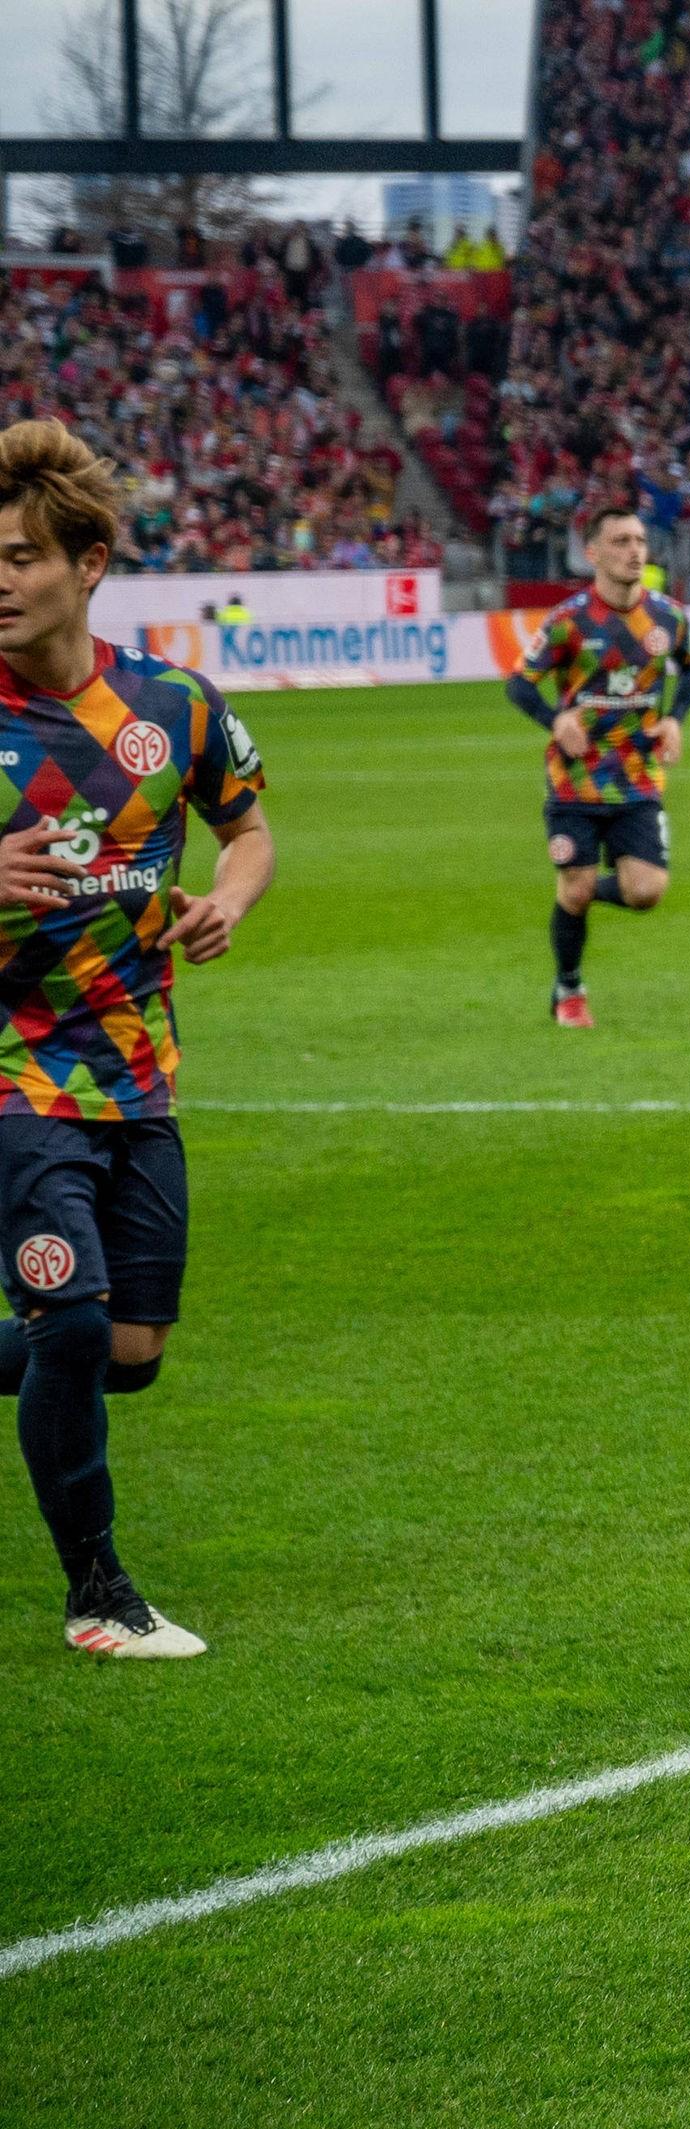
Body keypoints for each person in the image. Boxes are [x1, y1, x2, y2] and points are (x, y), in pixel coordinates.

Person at [0, 419, 277, 1659]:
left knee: (127, 1348)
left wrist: (229, 901)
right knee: (68, 1327)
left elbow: (249, 829)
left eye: (20, 557)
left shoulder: (173, 705)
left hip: (137, 1076)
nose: (1, 579)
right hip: (15, 1078)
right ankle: (98, 1596)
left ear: (90, 563)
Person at [505, 507, 690, 1028]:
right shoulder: (568, 621)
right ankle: (569, 989)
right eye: (621, 541)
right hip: (575, 781)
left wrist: (675, 718)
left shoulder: (668, 617)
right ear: (593, 553)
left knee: (646, 892)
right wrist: (555, 720)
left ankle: (583, 888)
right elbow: (519, 684)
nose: (635, 551)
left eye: (639, 540)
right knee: (575, 889)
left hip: (639, 778)